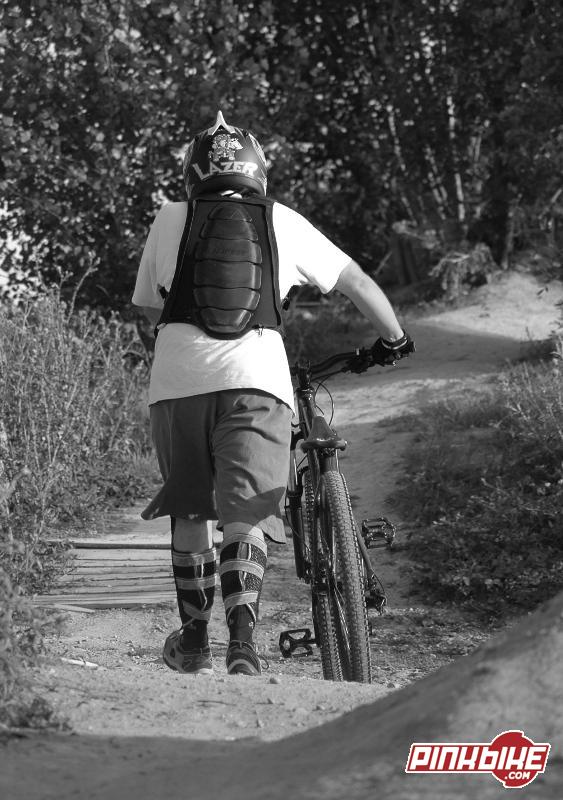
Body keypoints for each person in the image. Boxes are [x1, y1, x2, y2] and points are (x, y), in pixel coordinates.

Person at [132, 111, 414, 677]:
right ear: (258, 169)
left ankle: (195, 641)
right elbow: (356, 281)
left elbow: (148, 307)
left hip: (179, 382)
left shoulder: (169, 217)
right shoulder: (282, 219)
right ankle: (242, 645)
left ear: (193, 173)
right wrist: (395, 339)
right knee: (248, 514)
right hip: (258, 380)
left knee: (191, 510)